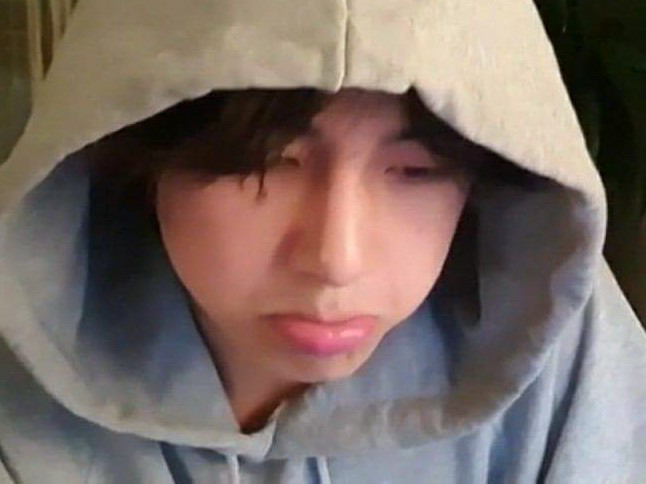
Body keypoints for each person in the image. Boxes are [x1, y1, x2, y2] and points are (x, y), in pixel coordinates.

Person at [0, 0, 644, 483]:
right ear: (143, 152)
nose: (337, 260)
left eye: (416, 171)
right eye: (265, 164)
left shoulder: (548, 325)